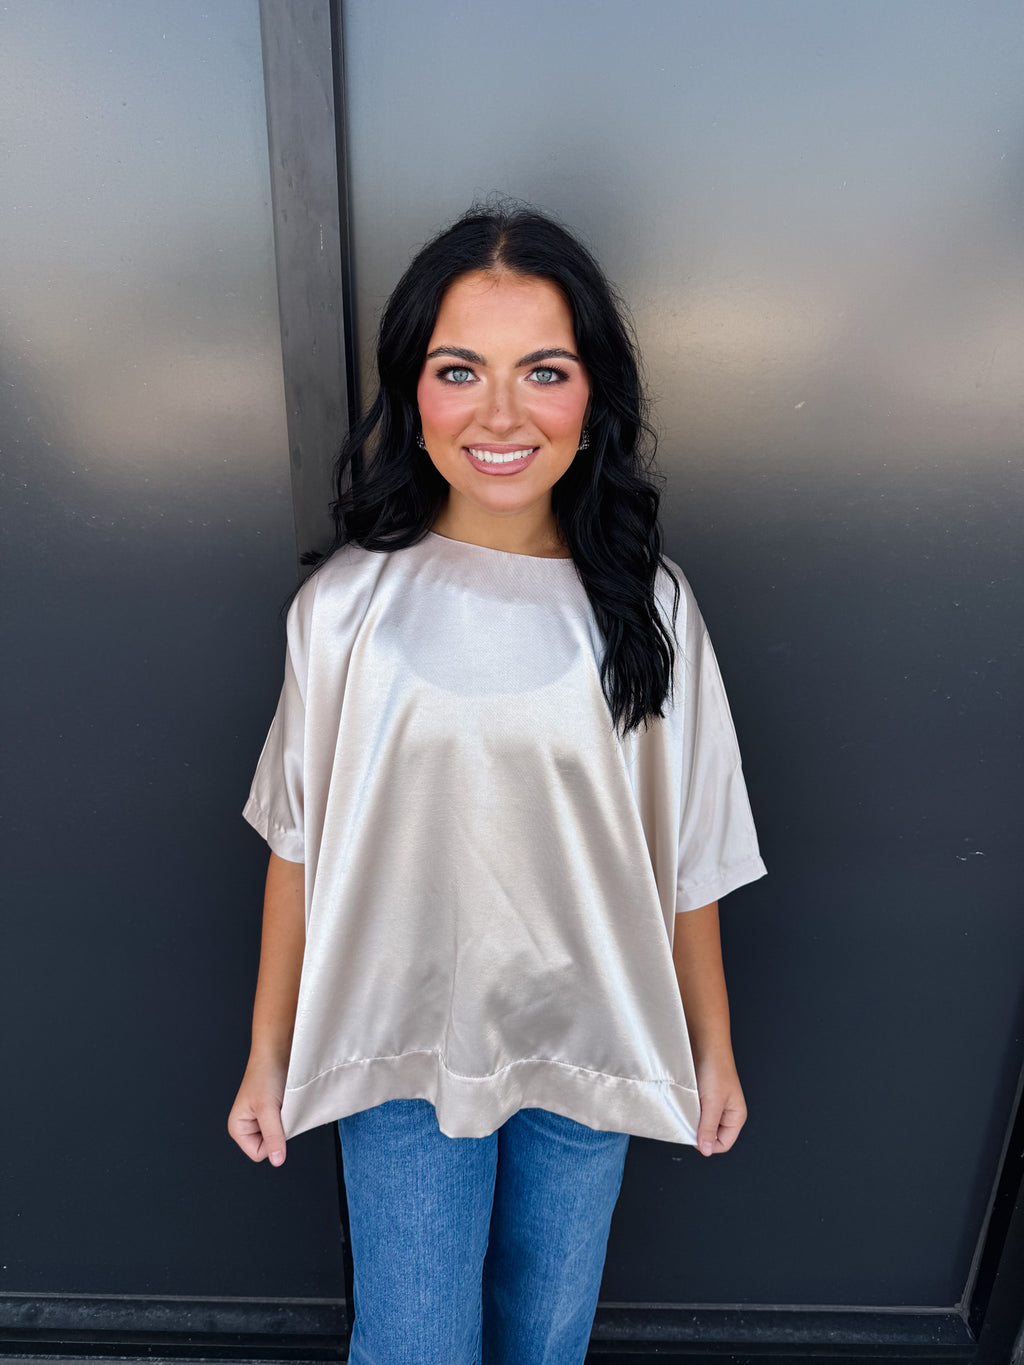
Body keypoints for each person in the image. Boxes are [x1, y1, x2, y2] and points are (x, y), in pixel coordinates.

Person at [227, 204, 766, 1365]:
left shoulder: (652, 609)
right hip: (400, 1051)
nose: (503, 414)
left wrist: (710, 1046)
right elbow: (297, 846)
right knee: (414, 1343)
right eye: (460, 370)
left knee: (546, 1337)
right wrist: (268, 1052)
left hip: (591, 1046)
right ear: (412, 392)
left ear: (594, 398)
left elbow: (690, 855)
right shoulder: (344, 614)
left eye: (545, 371)